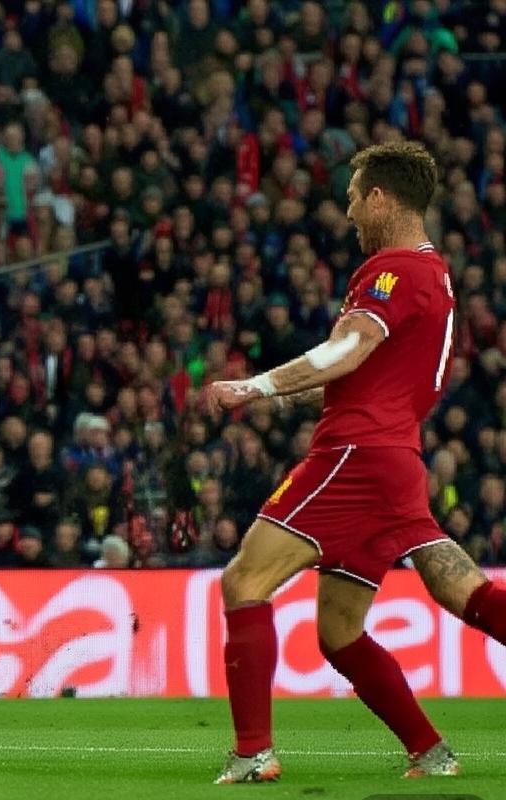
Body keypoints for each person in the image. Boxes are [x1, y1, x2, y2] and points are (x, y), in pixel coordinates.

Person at [204, 141, 506, 783]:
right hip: (396, 459)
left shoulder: (393, 269)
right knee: (351, 626)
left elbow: (350, 347)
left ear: (380, 198)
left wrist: (255, 386)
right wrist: (289, 396)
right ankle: (431, 751)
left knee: (243, 581)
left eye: (352, 199)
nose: (348, 214)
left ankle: (253, 753)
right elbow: (369, 372)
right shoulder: (435, 274)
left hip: (356, 455)